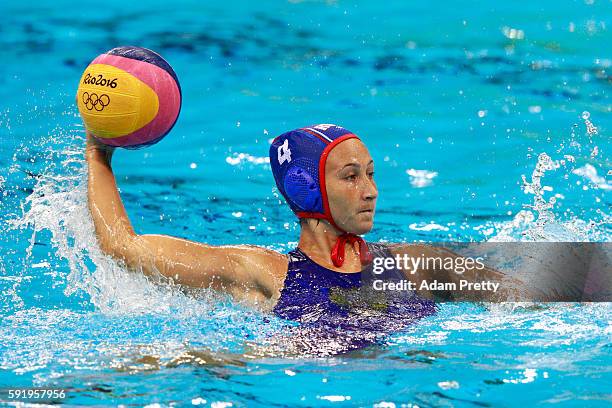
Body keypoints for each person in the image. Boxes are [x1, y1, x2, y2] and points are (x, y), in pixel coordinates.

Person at [86, 124, 512, 323]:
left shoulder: (419, 266)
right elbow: (123, 246)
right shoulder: (264, 274)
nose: (371, 190)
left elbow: (551, 285)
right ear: (307, 188)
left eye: (371, 172)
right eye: (350, 176)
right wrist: (98, 154)